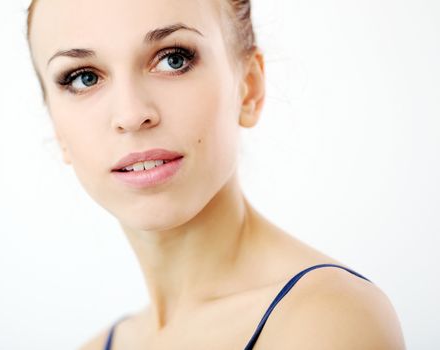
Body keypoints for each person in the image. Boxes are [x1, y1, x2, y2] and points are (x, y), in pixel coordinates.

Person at [25, 0, 406, 348]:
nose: (131, 113)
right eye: (83, 78)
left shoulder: (328, 322)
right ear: (57, 128)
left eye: (173, 59)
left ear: (249, 88)